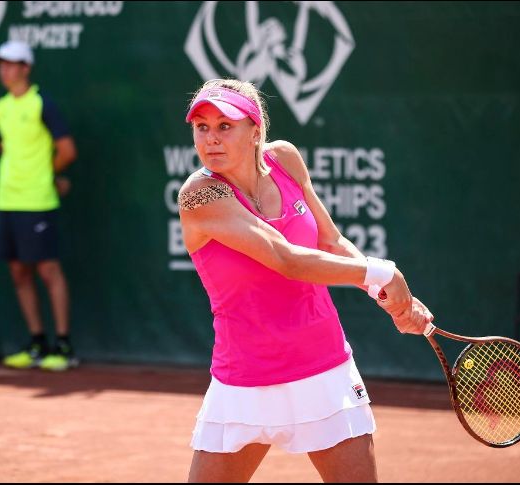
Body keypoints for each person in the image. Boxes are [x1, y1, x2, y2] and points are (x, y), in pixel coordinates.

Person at [177, 79, 434, 483]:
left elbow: (329, 240)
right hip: (245, 380)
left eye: (225, 126)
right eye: (202, 127)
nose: (211, 139)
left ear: (255, 130)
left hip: (323, 369)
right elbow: (285, 258)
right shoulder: (199, 195)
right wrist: (382, 272)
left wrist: (383, 293)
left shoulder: (285, 160)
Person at [0, 40, 79, 371]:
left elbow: (67, 151)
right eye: (1, 64)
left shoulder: (43, 105)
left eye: (11, 64)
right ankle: (37, 342)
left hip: (37, 200)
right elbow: (6, 149)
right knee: (18, 271)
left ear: (26, 68)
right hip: (6, 198)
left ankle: (64, 345)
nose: (4, 70)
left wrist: (47, 176)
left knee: (47, 269)